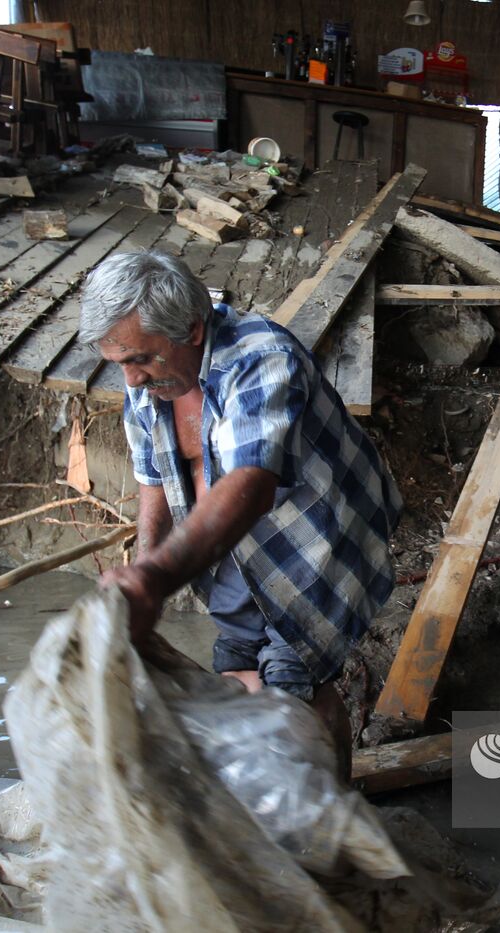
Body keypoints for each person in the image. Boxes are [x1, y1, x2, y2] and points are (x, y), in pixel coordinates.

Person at [78, 250, 402, 727]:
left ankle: (331, 793)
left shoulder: (262, 358)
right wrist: (145, 568)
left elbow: (251, 481)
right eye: (119, 363)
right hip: (228, 550)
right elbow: (154, 477)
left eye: (140, 360)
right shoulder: (146, 375)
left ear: (191, 329)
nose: (130, 379)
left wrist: (157, 578)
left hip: (313, 539)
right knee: (236, 674)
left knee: (293, 692)